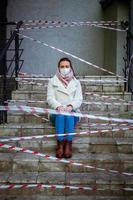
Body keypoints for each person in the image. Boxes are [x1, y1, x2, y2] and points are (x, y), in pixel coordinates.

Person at [47, 57, 83, 159]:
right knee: (61, 115)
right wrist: (58, 107)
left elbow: (79, 99)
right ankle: (60, 144)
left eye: (67, 66)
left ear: (71, 68)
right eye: (62, 66)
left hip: (73, 112)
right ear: (58, 68)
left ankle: (68, 144)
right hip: (56, 113)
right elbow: (50, 98)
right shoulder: (52, 81)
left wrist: (70, 106)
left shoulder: (77, 83)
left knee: (69, 115)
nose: (64, 68)